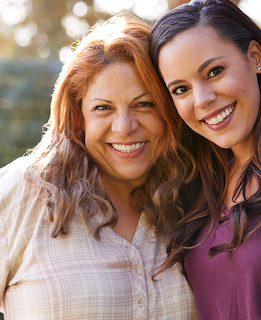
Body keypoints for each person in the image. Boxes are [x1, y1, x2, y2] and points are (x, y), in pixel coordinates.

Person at [0, 16, 200, 319]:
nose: (124, 127)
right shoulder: (28, 191)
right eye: (103, 108)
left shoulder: (196, 204)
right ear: (80, 119)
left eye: (145, 104)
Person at [149, 0, 261, 320]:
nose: (202, 100)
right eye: (180, 89)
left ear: (255, 57)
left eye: (214, 71)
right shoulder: (199, 188)